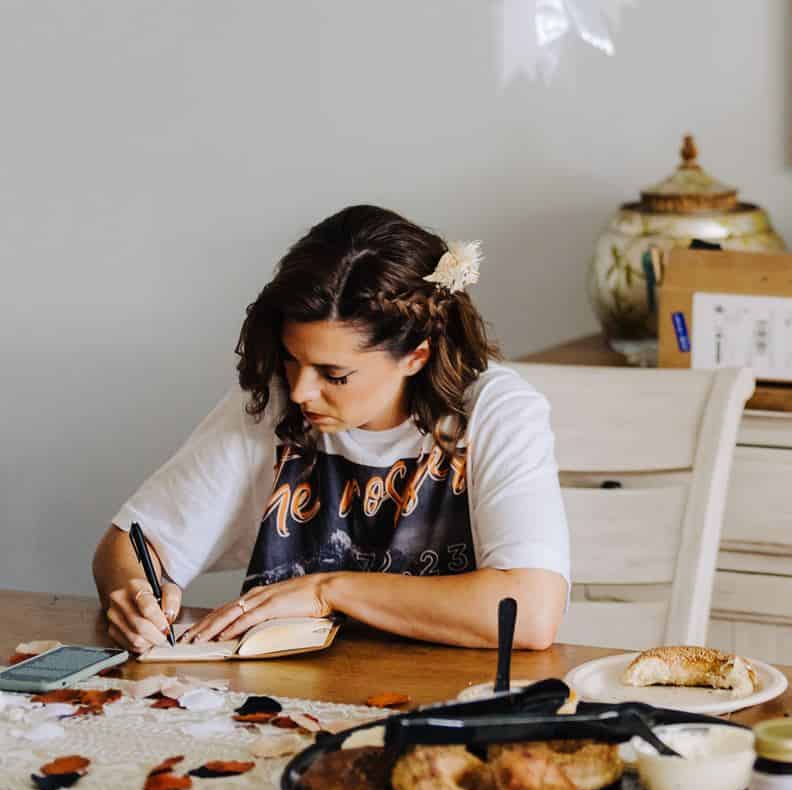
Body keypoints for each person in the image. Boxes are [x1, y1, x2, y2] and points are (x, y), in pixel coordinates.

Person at [92, 205, 570, 654]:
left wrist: (328, 590)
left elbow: (529, 613)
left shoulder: (495, 411)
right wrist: (132, 594)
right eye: (291, 359)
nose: (301, 391)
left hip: (448, 706)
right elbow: (130, 545)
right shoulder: (276, 401)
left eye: (334, 375)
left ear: (416, 356)